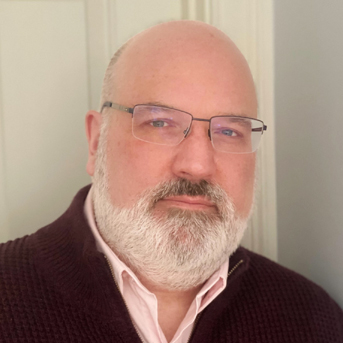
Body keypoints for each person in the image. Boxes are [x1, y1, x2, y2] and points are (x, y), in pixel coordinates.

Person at [0, 20, 342, 343]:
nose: (197, 165)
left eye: (228, 131)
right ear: (96, 141)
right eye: (160, 123)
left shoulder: (313, 321)